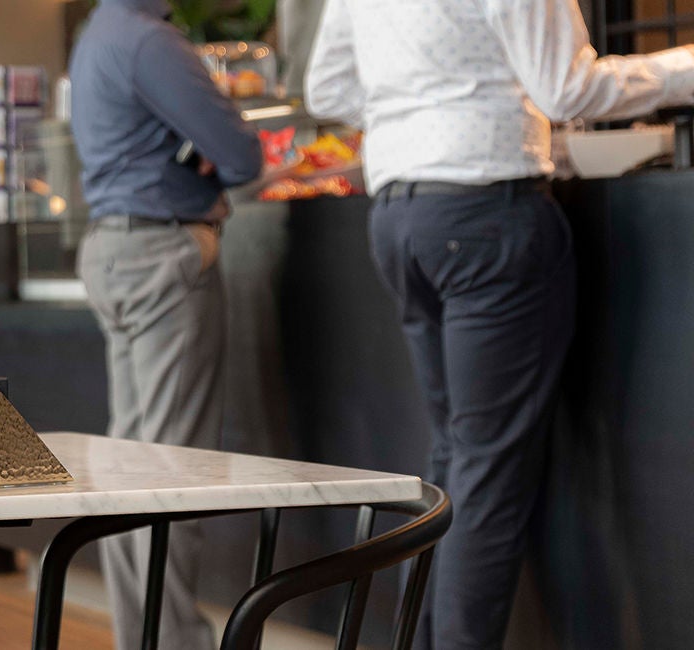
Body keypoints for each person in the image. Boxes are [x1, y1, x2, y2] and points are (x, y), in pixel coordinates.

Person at [306, 3, 694, 647]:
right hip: (485, 212)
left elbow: (327, 88)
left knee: (454, 453)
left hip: (402, 218)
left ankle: (421, 639)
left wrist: (422, 109)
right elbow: (569, 88)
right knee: (485, 468)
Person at [66, 1, 263, 648]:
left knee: (133, 466)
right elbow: (240, 153)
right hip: (162, 253)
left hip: (114, 249)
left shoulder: (98, 33)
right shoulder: (152, 40)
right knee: (171, 469)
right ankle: (175, 642)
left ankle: (144, 638)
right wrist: (214, 158)